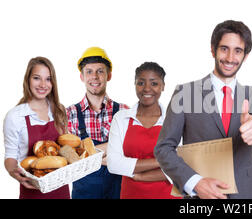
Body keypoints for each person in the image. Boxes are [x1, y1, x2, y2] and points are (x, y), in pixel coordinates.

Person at [154, 20, 252, 199]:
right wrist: (194, 182)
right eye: (224, 48)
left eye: (238, 51)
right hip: (202, 194)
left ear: (246, 55)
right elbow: (163, 148)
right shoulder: (185, 94)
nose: (229, 58)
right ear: (213, 49)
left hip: (249, 194)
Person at [107, 62, 180, 199]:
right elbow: (114, 164)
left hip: (167, 195)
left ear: (163, 86)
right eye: (141, 83)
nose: (147, 89)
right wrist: (159, 161)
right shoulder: (121, 118)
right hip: (131, 194)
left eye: (154, 83)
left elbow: (181, 166)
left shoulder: (175, 119)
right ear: (134, 85)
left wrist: (139, 176)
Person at [66, 47, 128, 199]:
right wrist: (112, 152)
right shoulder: (69, 114)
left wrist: (87, 154)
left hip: (118, 192)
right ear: (82, 76)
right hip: (83, 194)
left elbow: (129, 152)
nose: (94, 76)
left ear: (109, 75)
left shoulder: (124, 111)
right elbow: (69, 158)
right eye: (89, 71)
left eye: (100, 71)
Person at [3, 56, 70, 199]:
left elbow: (65, 148)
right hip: (31, 190)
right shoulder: (15, 116)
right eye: (37, 78)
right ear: (28, 80)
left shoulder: (59, 110)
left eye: (48, 79)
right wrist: (15, 173)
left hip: (61, 191)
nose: (43, 84)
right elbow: (10, 157)